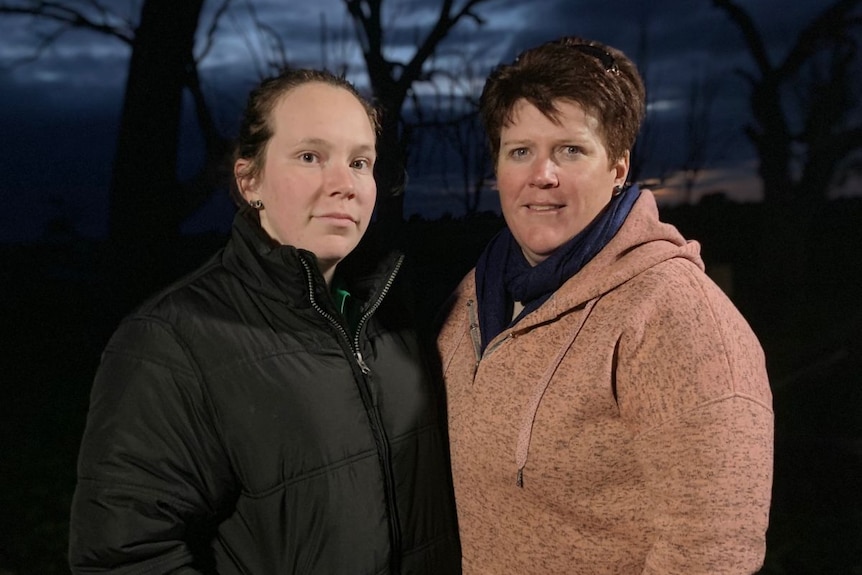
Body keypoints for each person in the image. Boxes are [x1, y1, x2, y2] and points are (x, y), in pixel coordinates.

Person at [69, 68, 461, 574]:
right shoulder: (171, 340)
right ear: (249, 179)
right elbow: (126, 556)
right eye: (309, 157)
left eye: (360, 162)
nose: (344, 184)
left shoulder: (400, 312)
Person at [436, 37, 773, 574]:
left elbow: (711, 554)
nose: (541, 174)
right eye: (520, 150)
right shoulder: (472, 295)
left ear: (618, 168)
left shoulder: (675, 315)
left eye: (571, 150)